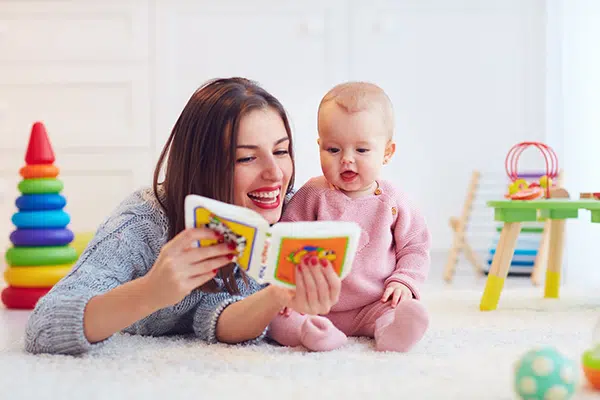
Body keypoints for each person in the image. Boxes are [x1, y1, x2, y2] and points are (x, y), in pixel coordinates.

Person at [24, 77, 342, 355]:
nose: (275, 173)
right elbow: (43, 327)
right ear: (202, 164)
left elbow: (217, 315)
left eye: (281, 151)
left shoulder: (298, 212)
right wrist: (150, 291)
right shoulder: (145, 222)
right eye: (246, 157)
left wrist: (281, 295)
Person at [268, 82, 431, 352]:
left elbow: (415, 246)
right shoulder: (312, 194)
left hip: (373, 302)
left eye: (362, 150)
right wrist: (285, 289)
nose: (346, 160)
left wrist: (404, 281)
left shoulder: (392, 201)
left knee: (394, 309)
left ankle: (392, 331)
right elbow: (284, 242)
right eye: (333, 150)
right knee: (277, 320)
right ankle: (315, 334)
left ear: (387, 152)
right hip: (314, 303)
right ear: (320, 146)